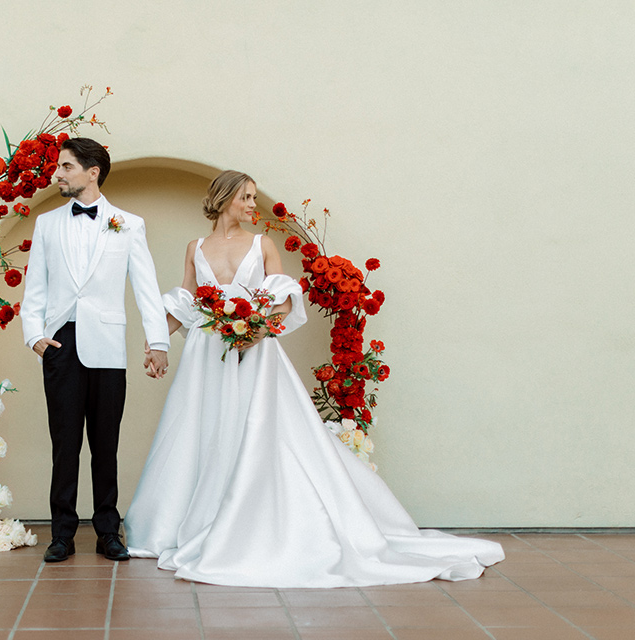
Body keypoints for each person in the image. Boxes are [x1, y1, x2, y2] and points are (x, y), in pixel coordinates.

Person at [124, 170, 504, 587]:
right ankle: (196, 518)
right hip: (207, 356)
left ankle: (253, 522)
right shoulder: (195, 247)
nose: (253, 205)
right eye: (247, 197)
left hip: (254, 353)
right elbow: (188, 301)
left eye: (253, 197)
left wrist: (256, 332)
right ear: (227, 197)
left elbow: (283, 300)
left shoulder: (262, 244)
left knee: (259, 432)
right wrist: (156, 345)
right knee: (205, 428)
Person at [20, 138, 170, 562]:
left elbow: (145, 286)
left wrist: (157, 342)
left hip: (107, 346)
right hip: (60, 345)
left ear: (92, 172)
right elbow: (36, 288)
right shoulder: (48, 223)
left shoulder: (129, 224)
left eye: (66, 167)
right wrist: (35, 336)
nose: (57, 174)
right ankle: (61, 535)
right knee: (64, 445)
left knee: (106, 444)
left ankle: (108, 531)